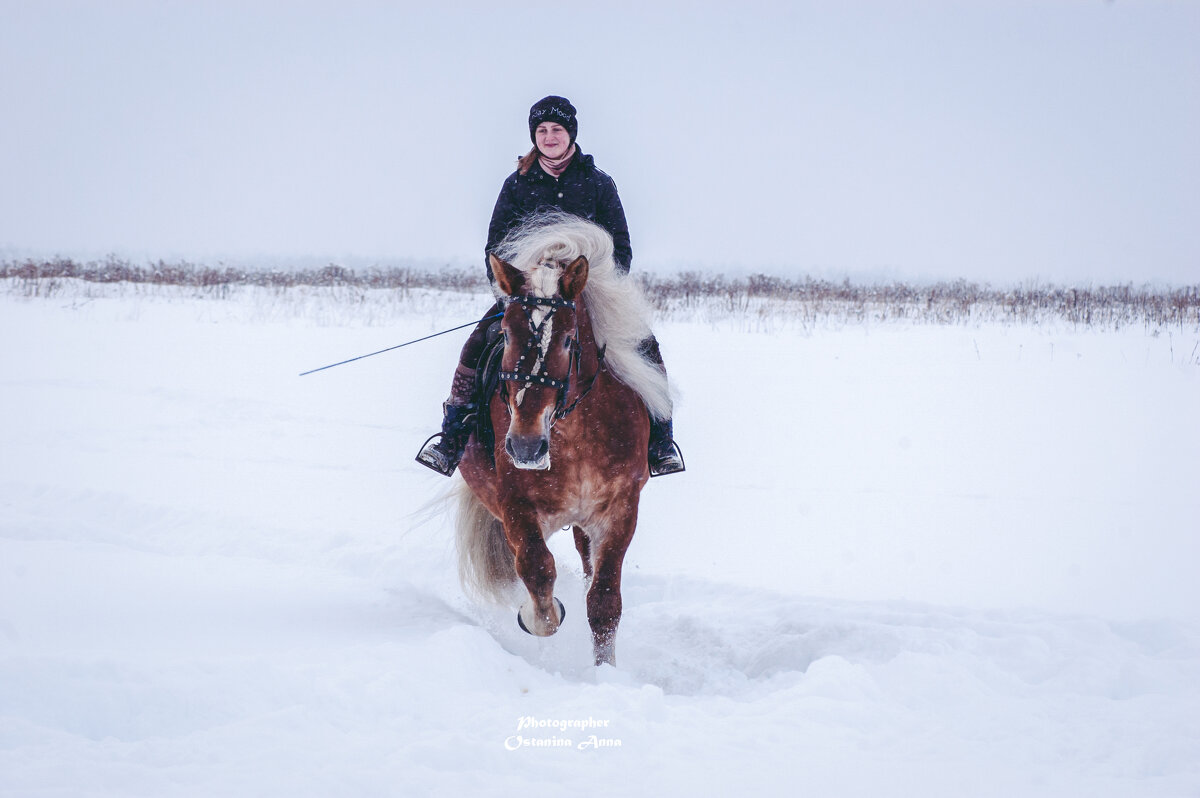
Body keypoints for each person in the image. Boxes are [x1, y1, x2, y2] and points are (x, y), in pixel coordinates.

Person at [416, 95, 684, 477]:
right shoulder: (517, 185)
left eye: (556, 129)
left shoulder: (597, 183)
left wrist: (594, 284)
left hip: (585, 296)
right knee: (478, 343)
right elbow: (496, 246)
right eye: (541, 130)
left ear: (571, 133)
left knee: (645, 344)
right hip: (527, 296)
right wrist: (511, 289)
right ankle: (452, 438)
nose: (549, 136)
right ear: (533, 136)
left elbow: (621, 248)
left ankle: (660, 443)